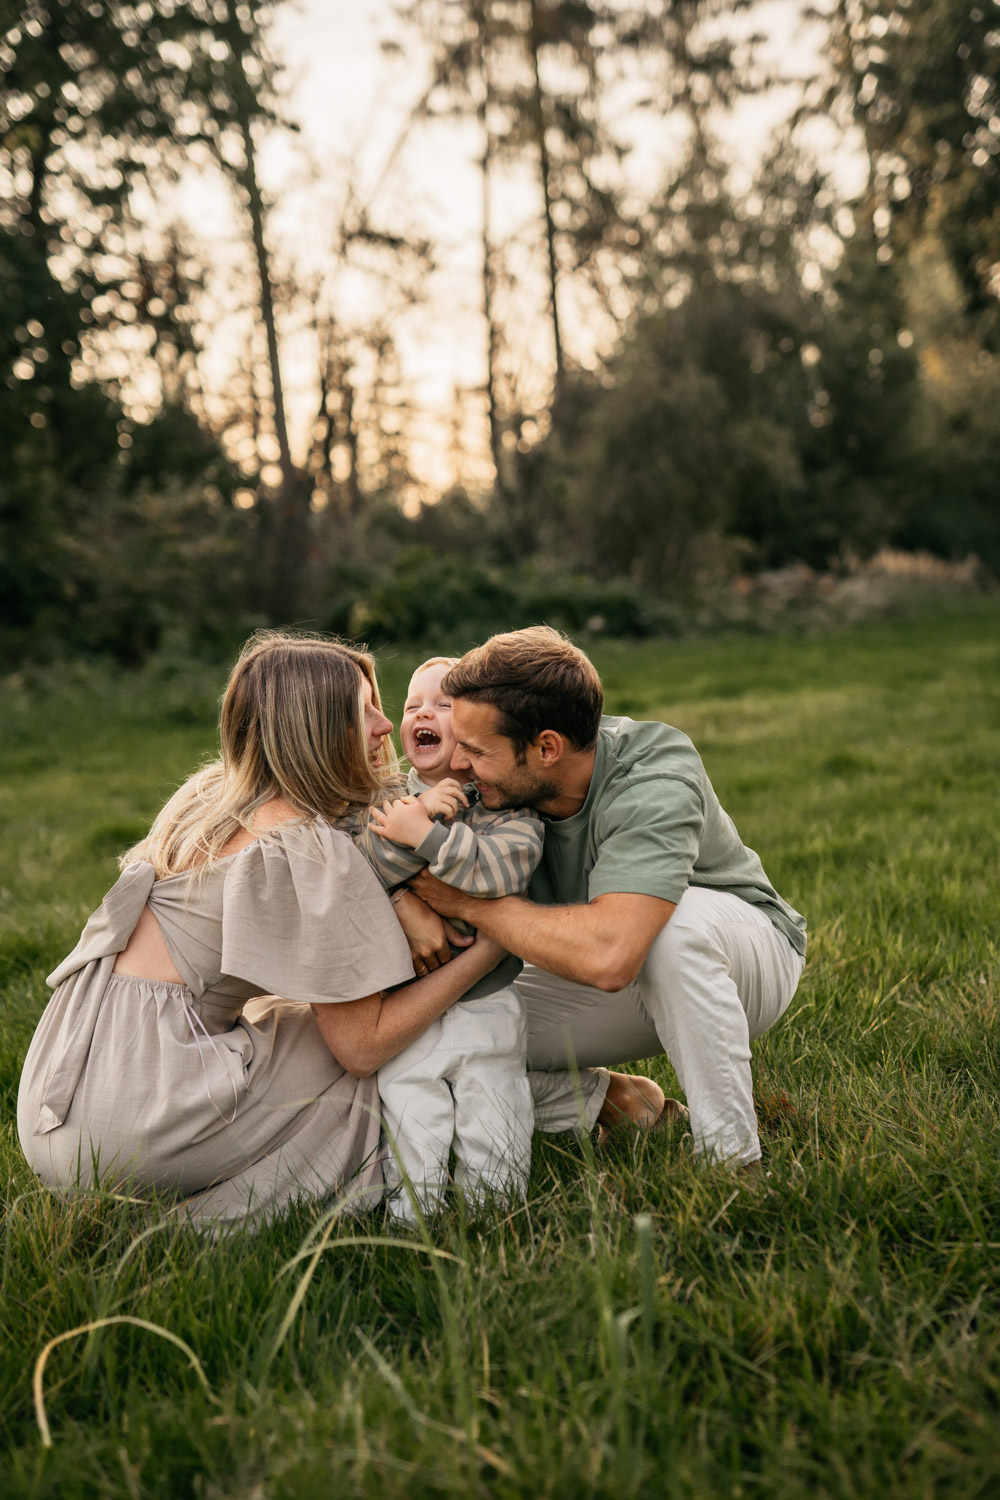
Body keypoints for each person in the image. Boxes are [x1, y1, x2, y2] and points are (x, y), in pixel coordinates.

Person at [16, 633, 511, 1232]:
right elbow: (363, 1045)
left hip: (57, 1096)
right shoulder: (307, 850)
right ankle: (573, 1108)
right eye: (364, 711)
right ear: (318, 732)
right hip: (137, 1114)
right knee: (379, 1063)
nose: (386, 726)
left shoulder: (207, 799)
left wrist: (398, 896)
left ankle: (586, 1096)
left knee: (305, 1012)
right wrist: (488, 950)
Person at [407, 626, 807, 1171]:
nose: (458, 764)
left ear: (547, 747)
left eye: (477, 750)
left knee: (673, 932)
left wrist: (468, 905)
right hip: (587, 964)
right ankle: (612, 1103)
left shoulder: (653, 770)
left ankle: (734, 1166)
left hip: (736, 962)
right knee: (434, 1027)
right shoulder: (490, 789)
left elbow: (612, 955)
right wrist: (408, 903)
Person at [353, 656, 543, 1221]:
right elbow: (356, 866)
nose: (421, 715)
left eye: (442, 705)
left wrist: (429, 839)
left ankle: (496, 1212)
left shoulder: (509, 807)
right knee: (411, 1110)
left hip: (487, 1003)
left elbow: (501, 875)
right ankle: (414, 1216)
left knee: (496, 1106)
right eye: (412, 706)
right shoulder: (385, 799)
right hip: (405, 1002)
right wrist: (415, 817)